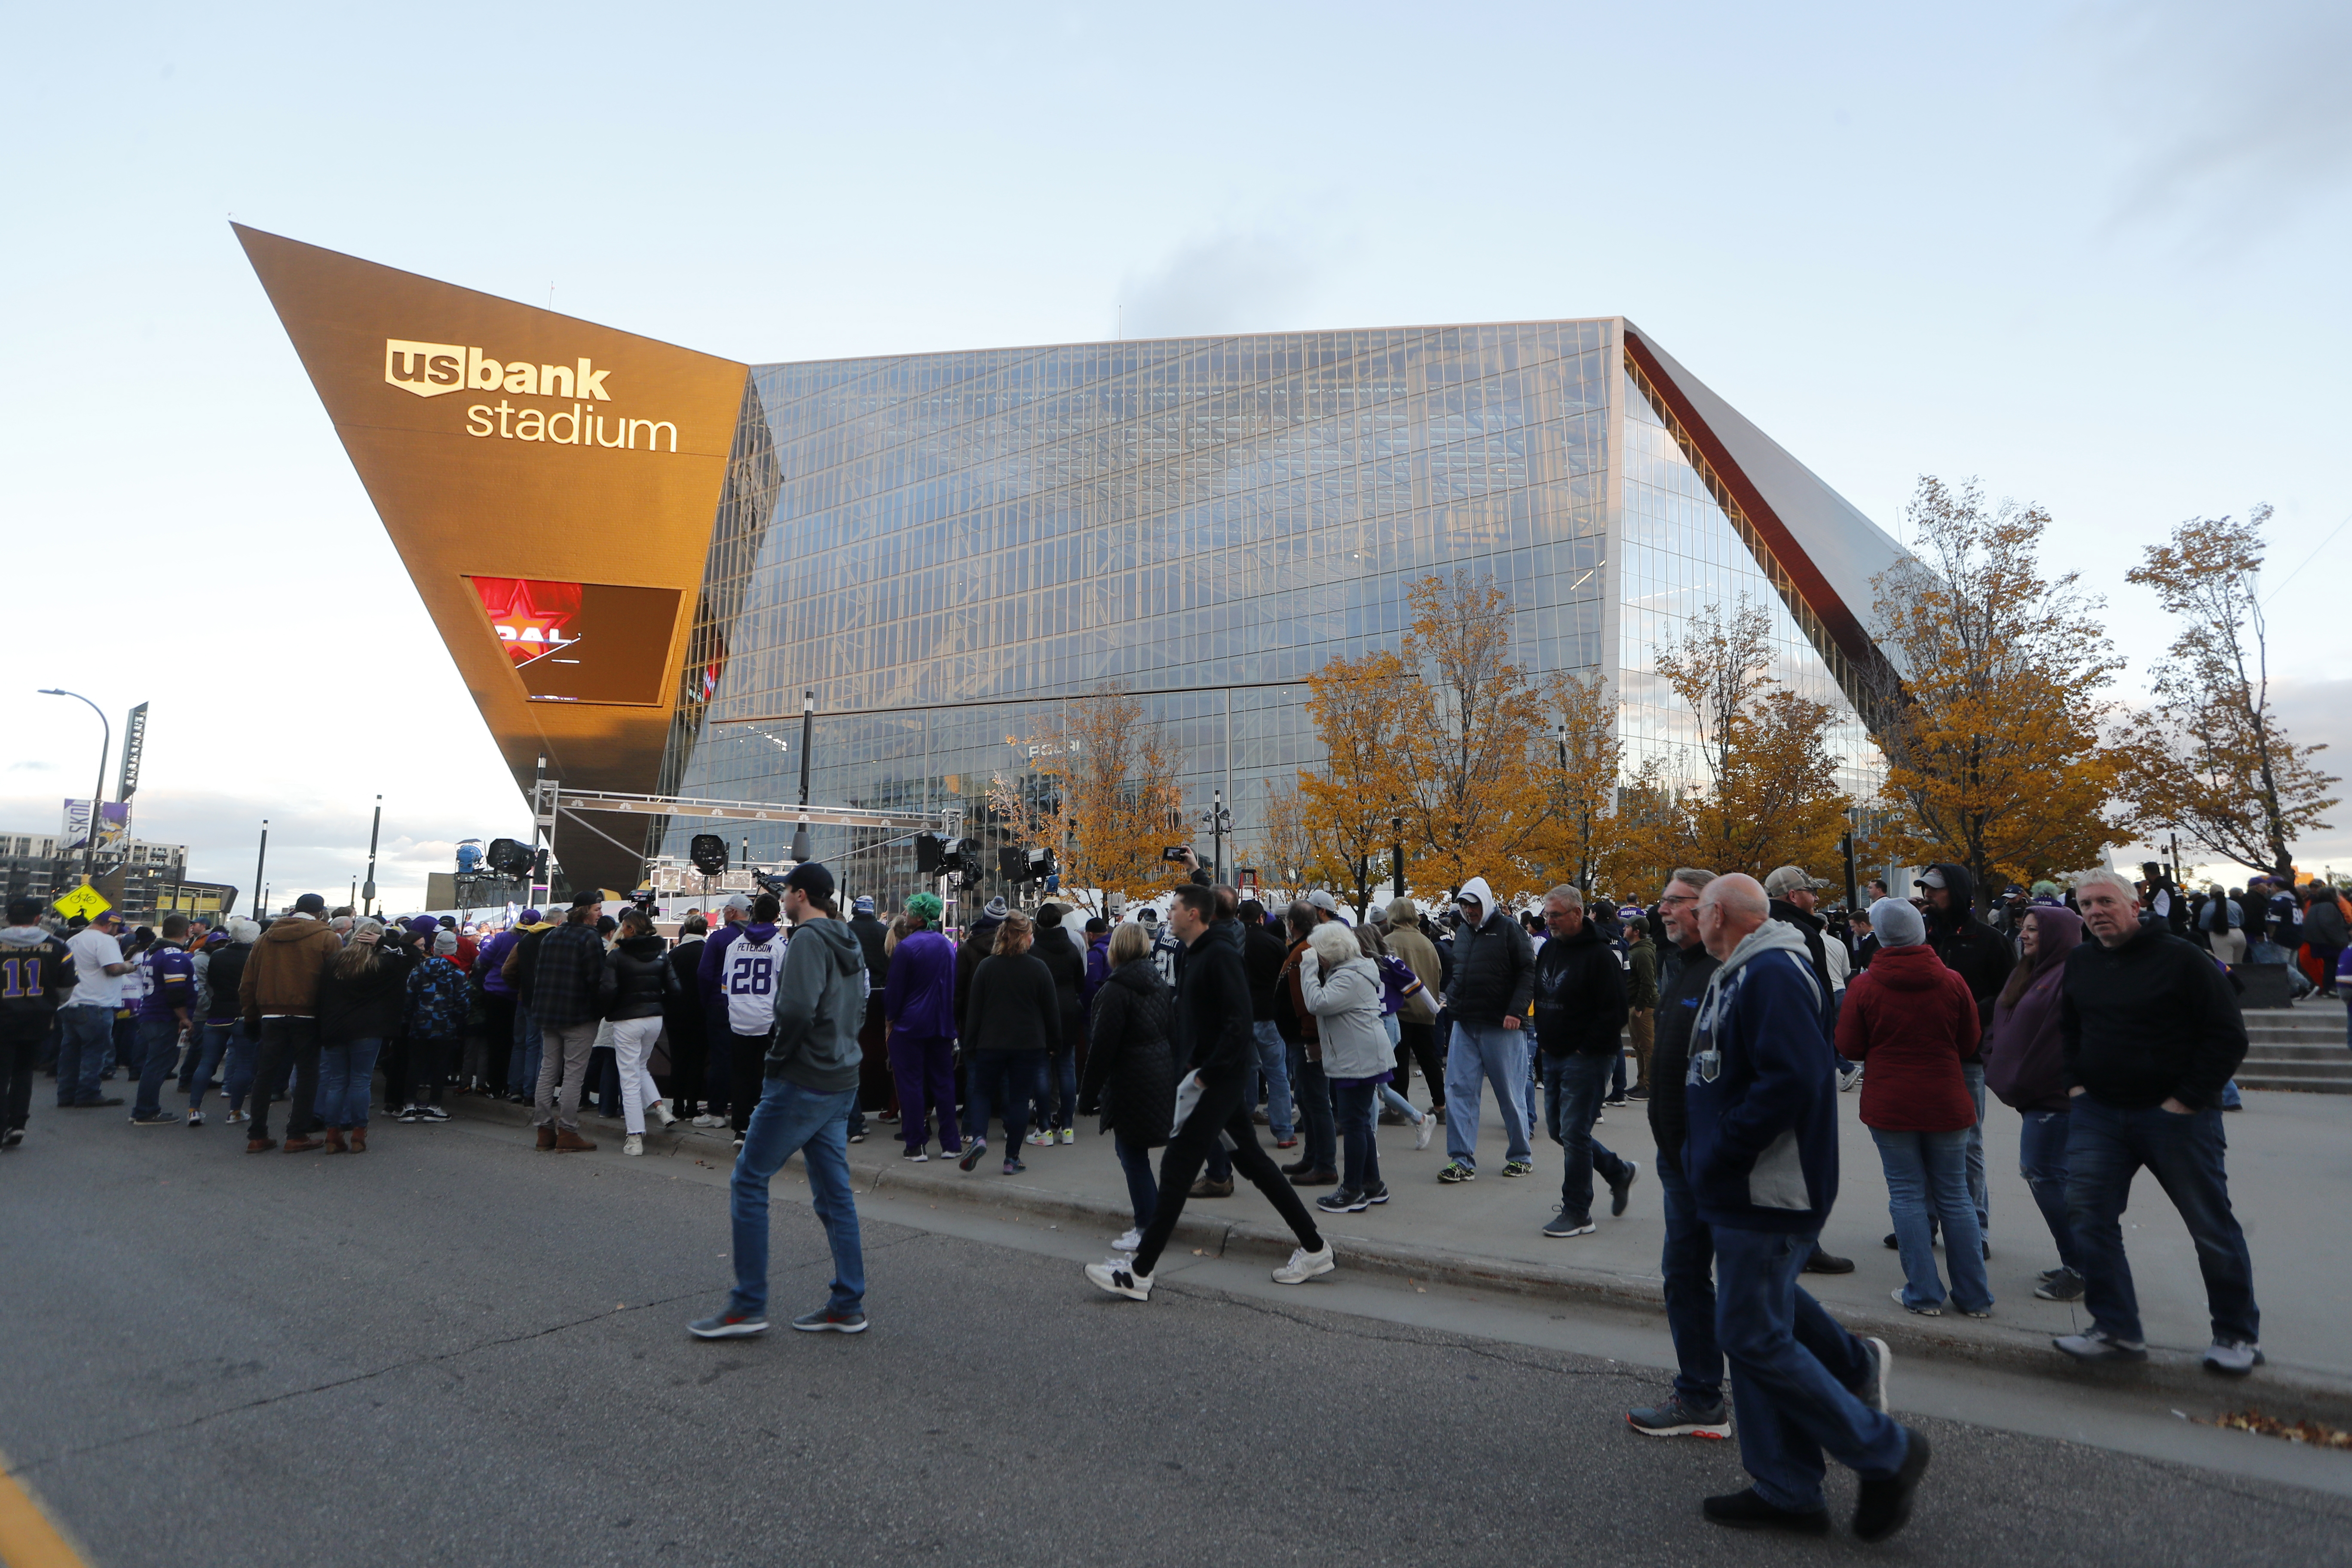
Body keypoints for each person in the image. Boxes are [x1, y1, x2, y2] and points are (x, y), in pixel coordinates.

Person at [1684, 873, 1927, 1540]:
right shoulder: (1743, 969)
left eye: (1694, 909)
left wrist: (1724, 1152)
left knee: (1753, 1334)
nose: (1685, 919)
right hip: (1744, 1186)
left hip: (1767, 1188)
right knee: (1765, 1329)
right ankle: (1789, 1487)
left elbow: (1792, 1077)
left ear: (1721, 914)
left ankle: (1885, 1451)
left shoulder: (1771, 972)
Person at [1085, 883, 1334, 1301]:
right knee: (1254, 1164)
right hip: (1211, 1082)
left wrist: (1204, 1076)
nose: (1169, 913)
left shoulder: (1218, 954)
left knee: (1178, 1169)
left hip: (1214, 1085)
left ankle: (1140, 1272)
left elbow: (1239, 1023)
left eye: (1175, 907)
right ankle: (1314, 1246)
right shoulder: (1198, 953)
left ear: (1195, 915)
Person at [2055, 869, 2259, 1374]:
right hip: (2099, 1113)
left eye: (2105, 902)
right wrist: (2075, 1084)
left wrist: (2187, 1099)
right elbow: (2068, 1027)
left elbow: (2227, 1035)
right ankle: (2116, 1329)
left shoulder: (2183, 958)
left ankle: (2236, 1335)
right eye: (2086, 905)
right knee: (2088, 1218)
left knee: (2210, 1225)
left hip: (2176, 1116)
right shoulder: (2081, 961)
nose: (2095, 912)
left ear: (2135, 904)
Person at [689, 862, 871, 1338]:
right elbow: (861, 1003)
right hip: (840, 1078)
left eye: (788, 891)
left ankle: (748, 1305)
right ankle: (848, 1302)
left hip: (802, 1078)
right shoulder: (848, 938)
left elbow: (793, 1009)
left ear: (802, 896)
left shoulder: (809, 940)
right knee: (834, 1195)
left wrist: (778, 1060)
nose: (783, 897)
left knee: (749, 1180)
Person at [1837, 899, 1991, 1318]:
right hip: (1946, 1097)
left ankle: (1923, 1292)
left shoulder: (1865, 987)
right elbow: (1969, 1042)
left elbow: (1849, 1046)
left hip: (1891, 1102)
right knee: (1955, 1194)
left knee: (1905, 1193)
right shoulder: (1953, 981)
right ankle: (1975, 1295)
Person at [1982, 904, 2087, 1302]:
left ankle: (2081, 1267)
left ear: (2057, 935)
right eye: (2023, 929)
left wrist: (2025, 1080)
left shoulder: (2070, 977)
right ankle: (2076, 1259)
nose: (2023, 935)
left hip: (2055, 1103)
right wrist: (1993, 1059)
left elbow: (2059, 1046)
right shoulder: (2028, 972)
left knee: (2045, 1178)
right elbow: (2001, 1021)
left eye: (2033, 930)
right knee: (2050, 1178)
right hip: (2032, 1099)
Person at [1915, 863, 2013, 1251]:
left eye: (1936, 890)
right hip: (1922, 1054)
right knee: (1919, 1142)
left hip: (1967, 1058)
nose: (1928, 897)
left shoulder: (1989, 940)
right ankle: (1922, 1222)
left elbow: (2010, 994)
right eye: (1925, 890)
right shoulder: (1921, 938)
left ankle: (1976, 1229)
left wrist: (1969, 1014)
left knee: (1968, 1145)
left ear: (1956, 891)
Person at [1530, 885, 1635, 1238]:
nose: (1550, 921)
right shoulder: (1548, 949)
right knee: (1561, 1131)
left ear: (1577, 913)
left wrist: (1584, 1048)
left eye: (1555, 915)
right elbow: (1541, 994)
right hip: (1554, 1054)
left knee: (1575, 1132)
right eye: (1547, 915)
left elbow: (1616, 1011)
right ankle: (1617, 1171)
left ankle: (1578, 1211)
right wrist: (1544, 1042)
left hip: (1587, 1059)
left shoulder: (1601, 956)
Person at [1079, 921, 1177, 1250]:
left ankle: (1148, 1226)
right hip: (1159, 1072)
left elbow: (1102, 1047)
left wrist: (1087, 1096)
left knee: (1131, 1154)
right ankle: (1154, 1221)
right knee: (1138, 1154)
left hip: (1130, 1078)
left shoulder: (1115, 990)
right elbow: (1173, 1033)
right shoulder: (1159, 983)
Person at [1436, 876, 1536, 1185]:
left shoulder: (1509, 929)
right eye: (1464, 905)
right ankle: (1461, 1160)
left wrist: (1516, 1011)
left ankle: (1521, 1156)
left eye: (1474, 904)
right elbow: (1460, 973)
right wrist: (1451, 1000)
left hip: (1503, 1026)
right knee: (1457, 1089)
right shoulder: (1464, 933)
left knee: (1510, 1092)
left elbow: (1529, 972)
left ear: (1486, 902)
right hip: (1465, 1023)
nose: (1468, 910)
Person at [1298, 918, 1391, 1213]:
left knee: (1353, 1123)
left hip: (1358, 1058)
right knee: (1360, 1122)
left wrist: (1308, 968)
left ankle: (1352, 1190)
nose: (1317, 956)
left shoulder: (1348, 976)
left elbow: (1317, 1003)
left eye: (1319, 952)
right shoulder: (1353, 970)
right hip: (1361, 1055)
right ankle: (1372, 1184)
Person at [240, 893, 344, 1154]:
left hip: (271, 1013)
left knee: (266, 1074)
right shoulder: (327, 937)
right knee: (308, 1074)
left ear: (295, 910)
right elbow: (337, 982)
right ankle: (296, 1134)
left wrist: (251, 1016)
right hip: (309, 1015)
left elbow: (248, 982)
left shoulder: (265, 938)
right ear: (320, 913)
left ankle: (257, 1135)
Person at [956, 910, 1057, 1175]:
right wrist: (1053, 1043)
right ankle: (1011, 1158)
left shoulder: (986, 968)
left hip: (990, 1042)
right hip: (1029, 1043)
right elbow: (1051, 1011)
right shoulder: (1039, 969)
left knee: (982, 1092)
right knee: (1019, 1099)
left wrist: (970, 1044)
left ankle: (978, 1136)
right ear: (1025, 938)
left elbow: (974, 1012)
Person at [314, 918, 411, 1152]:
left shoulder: (336, 962)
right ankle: (358, 1132)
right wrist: (386, 941)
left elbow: (322, 996)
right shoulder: (385, 963)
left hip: (336, 1026)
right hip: (369, 1028)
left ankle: (332, 1132)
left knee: (337, 1081)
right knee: (360, 1080)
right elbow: (413, 956)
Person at [883, 892, 962, 1161]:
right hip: (941, 1023)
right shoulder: (946, 945)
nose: (904, 915)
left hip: (910, 1026)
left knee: (911, 1085)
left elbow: (894, 992)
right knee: (944, 1083)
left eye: (908, 911)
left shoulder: (907, 948)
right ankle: (951, 1143)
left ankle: (916, 1144)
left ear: (918, 917)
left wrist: (891, 1020)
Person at [531, 892, 610, 1153]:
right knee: (574, 1076)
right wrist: (602, 1009)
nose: (600, 913)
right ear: (586, 911)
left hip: (547, 1012)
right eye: (597, 909)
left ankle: (544, 1130)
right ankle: (568, 1131)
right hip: (578, 1015)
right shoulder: (590, 938)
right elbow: (596, 979)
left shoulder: (551, 935)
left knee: (548, 1071)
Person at [599, 907, 680, 1155]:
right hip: (654, 1019)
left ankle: (635, 1136)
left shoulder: (616, 956)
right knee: (640, 1067)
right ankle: (661, 1110)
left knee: (629, 1078)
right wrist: (659, 1006)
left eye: (624, 925)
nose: (621, 929)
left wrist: (606, 1012)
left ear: (631, 929)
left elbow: (607, 991)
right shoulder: (661, 955)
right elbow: (675, 990)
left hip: (627, 1020)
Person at [1273, 900, 1338, 1186]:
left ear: (1292, 924)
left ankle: (1324, 1164)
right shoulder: (1303, 950)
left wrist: (1311, 1038)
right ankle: (1313, 1157)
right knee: (1307, 1099)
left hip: (1306, 1039)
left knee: (1316, 1101)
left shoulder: (1304, 953)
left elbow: (1307, 1001)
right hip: (1299, 1038)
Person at [2, 897, 75, 1148]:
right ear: (38, 919)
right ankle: (17, 1124)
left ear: (8, 918)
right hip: (38, 1017)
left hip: (3, 1017)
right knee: (24, 1072)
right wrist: (49, 1005)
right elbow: (66, 988)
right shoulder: (57, 946)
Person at [57, 908, 130, 1111]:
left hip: (72, 1002)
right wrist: (129, 966)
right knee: (94, 1051)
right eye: (116, 928)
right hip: (95, 1004)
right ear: (110, 925)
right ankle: (88, 1093)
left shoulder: (73, 940)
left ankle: (66, 1094)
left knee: (70, 1051)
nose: (117, 932)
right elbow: (113, 969)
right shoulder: (105, 941)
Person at [1238, 897, 1297, 1149]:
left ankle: (1243, 1120)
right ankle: (1284, 1131)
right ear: (1262, 918)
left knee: (1244, 1071)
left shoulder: (1233, 944)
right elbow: (1285, 984)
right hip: (1269, 1016)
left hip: (1240, 1015)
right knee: (1277, 1075)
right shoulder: (1276, 945)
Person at [692, 892, 755, 1128]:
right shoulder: (760, 938)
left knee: (721, 1059)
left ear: (732, 913)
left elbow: (704, 973)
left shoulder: (719, 938)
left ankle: (717, 1111)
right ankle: (742, 1109)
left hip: (721, 1004)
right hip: (751, 1007)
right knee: (747, 1060)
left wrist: (706, 1000)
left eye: (725, 910)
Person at [129, 913, 198, 1125]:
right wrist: (184, 1018)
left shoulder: (156, 952)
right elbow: (175, 990)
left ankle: (144, 1108)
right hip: (164, 1017)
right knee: (158, 1065)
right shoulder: (173, 955)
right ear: (187, 932)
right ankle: (146, 1110)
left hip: (153, 1014)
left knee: (156, 1064)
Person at [1384, 897, 1446, 1124]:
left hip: (1399, 1011)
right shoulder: (1427, 942)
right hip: (1427, 1010)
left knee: (1398, 1062)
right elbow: (1438, 973)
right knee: (1430, 1060)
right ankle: (1440, 1106)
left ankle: (1397, 1109)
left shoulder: (1389, 941)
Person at [187, 922, 257, 1124]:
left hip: (217, 1014)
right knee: (244, 1065)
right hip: (244, 1015)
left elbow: (212, 983)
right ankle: (235, 1111)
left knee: (207, 1063)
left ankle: (194, 1109)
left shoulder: (217, 956)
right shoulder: (255, 958)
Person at [1031, 903, 1089, 1147]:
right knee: (1067, 1069)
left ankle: (1044, 1127)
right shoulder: (1073, 947)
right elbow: (1081, 984)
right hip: (1068, 1013)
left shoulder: (1034, 952)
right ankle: (1067, 1127)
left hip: (1042, 1015)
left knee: (1042, 1070)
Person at [398, 929, 468, 1123]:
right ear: (454, 950)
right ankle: (434, 1107)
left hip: (419, 1024)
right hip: (445, 1027)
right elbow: (462, 1003)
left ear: (435, 949)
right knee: (440, 1066)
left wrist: (408, 1019)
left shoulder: (419, 969)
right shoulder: (457, 974)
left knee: (415, 1065)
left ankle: (410, 1106)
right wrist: (459, 1023)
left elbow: (408, 997)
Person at [846, 894, 894, 1140]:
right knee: (878, 1053)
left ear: (854, 910)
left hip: (854, 996)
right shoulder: (884, 932)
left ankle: (855, 1114)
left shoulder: (846, 931)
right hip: (882, 995)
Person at [663, 915, 709, 1118]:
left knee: (678, 1060)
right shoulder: (707, 952)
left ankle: (677, 1105)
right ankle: (692, 1106)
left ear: (685, 930)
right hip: (701, 1015)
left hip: (675, 1015)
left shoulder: (674, 954)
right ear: (705, 932)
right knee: (698, 1061)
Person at [1625, 917, 1658, 1100]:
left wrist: (1639, 1007)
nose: (1624, 929)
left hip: (1644, 1006)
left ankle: (1650, 1086)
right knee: (1638, 1046)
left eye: (1628, 926)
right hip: (1634, 1004)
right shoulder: (1634, 950)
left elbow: (1648, 982)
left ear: (1636, 931)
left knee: (1648, 1047)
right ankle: (1641, 1082)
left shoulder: (1643, 953)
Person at [2305, 882, 2347, 999]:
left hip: (2319, 941)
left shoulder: (2314, 906)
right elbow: (2327, 924)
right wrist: (2340, 940)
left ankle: (2328, 988)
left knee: (2330, 965)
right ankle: (2330, 988)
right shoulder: (2329, 906)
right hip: (2330, 942)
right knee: (2333, 965)